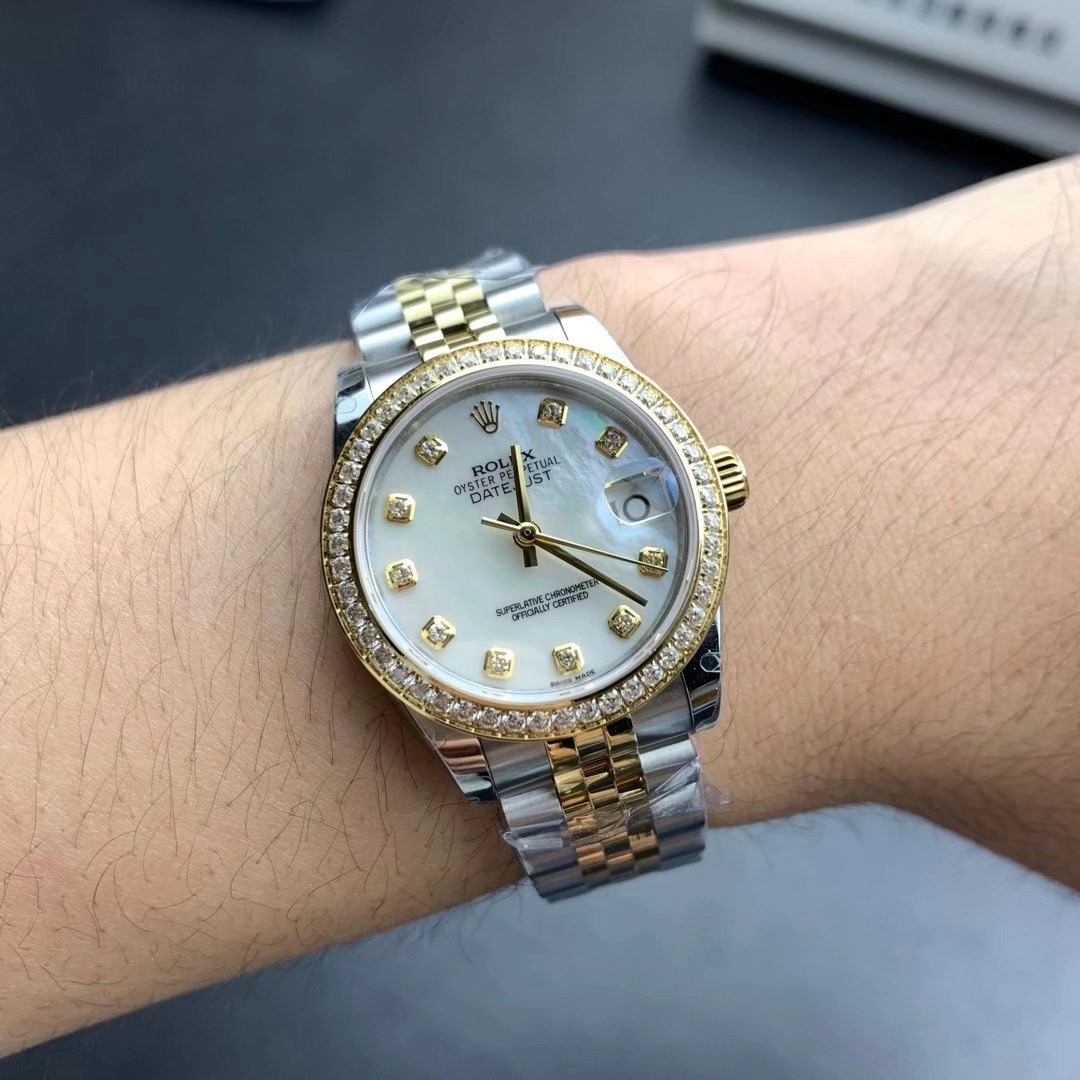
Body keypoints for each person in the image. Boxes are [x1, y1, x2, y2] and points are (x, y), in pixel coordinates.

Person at [1, 157, 1077, 1056]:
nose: (525, 541)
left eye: (529, 531)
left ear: (712, 480)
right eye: (521, 534)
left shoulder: (655, 510)